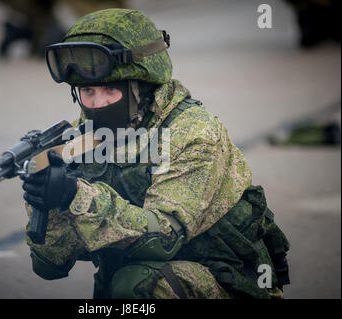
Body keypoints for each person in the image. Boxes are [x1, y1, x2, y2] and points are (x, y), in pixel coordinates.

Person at [21, 8, 290, 299]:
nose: (97, 104)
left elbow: (163, 239)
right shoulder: (80, 140)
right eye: (87, 91)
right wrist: (50, 203)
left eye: (110, 89)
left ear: (142, 86)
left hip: (228, 282)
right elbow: (50, 267)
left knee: (136, 286)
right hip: (139, 278)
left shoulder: (194, 132)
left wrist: (77, 196)